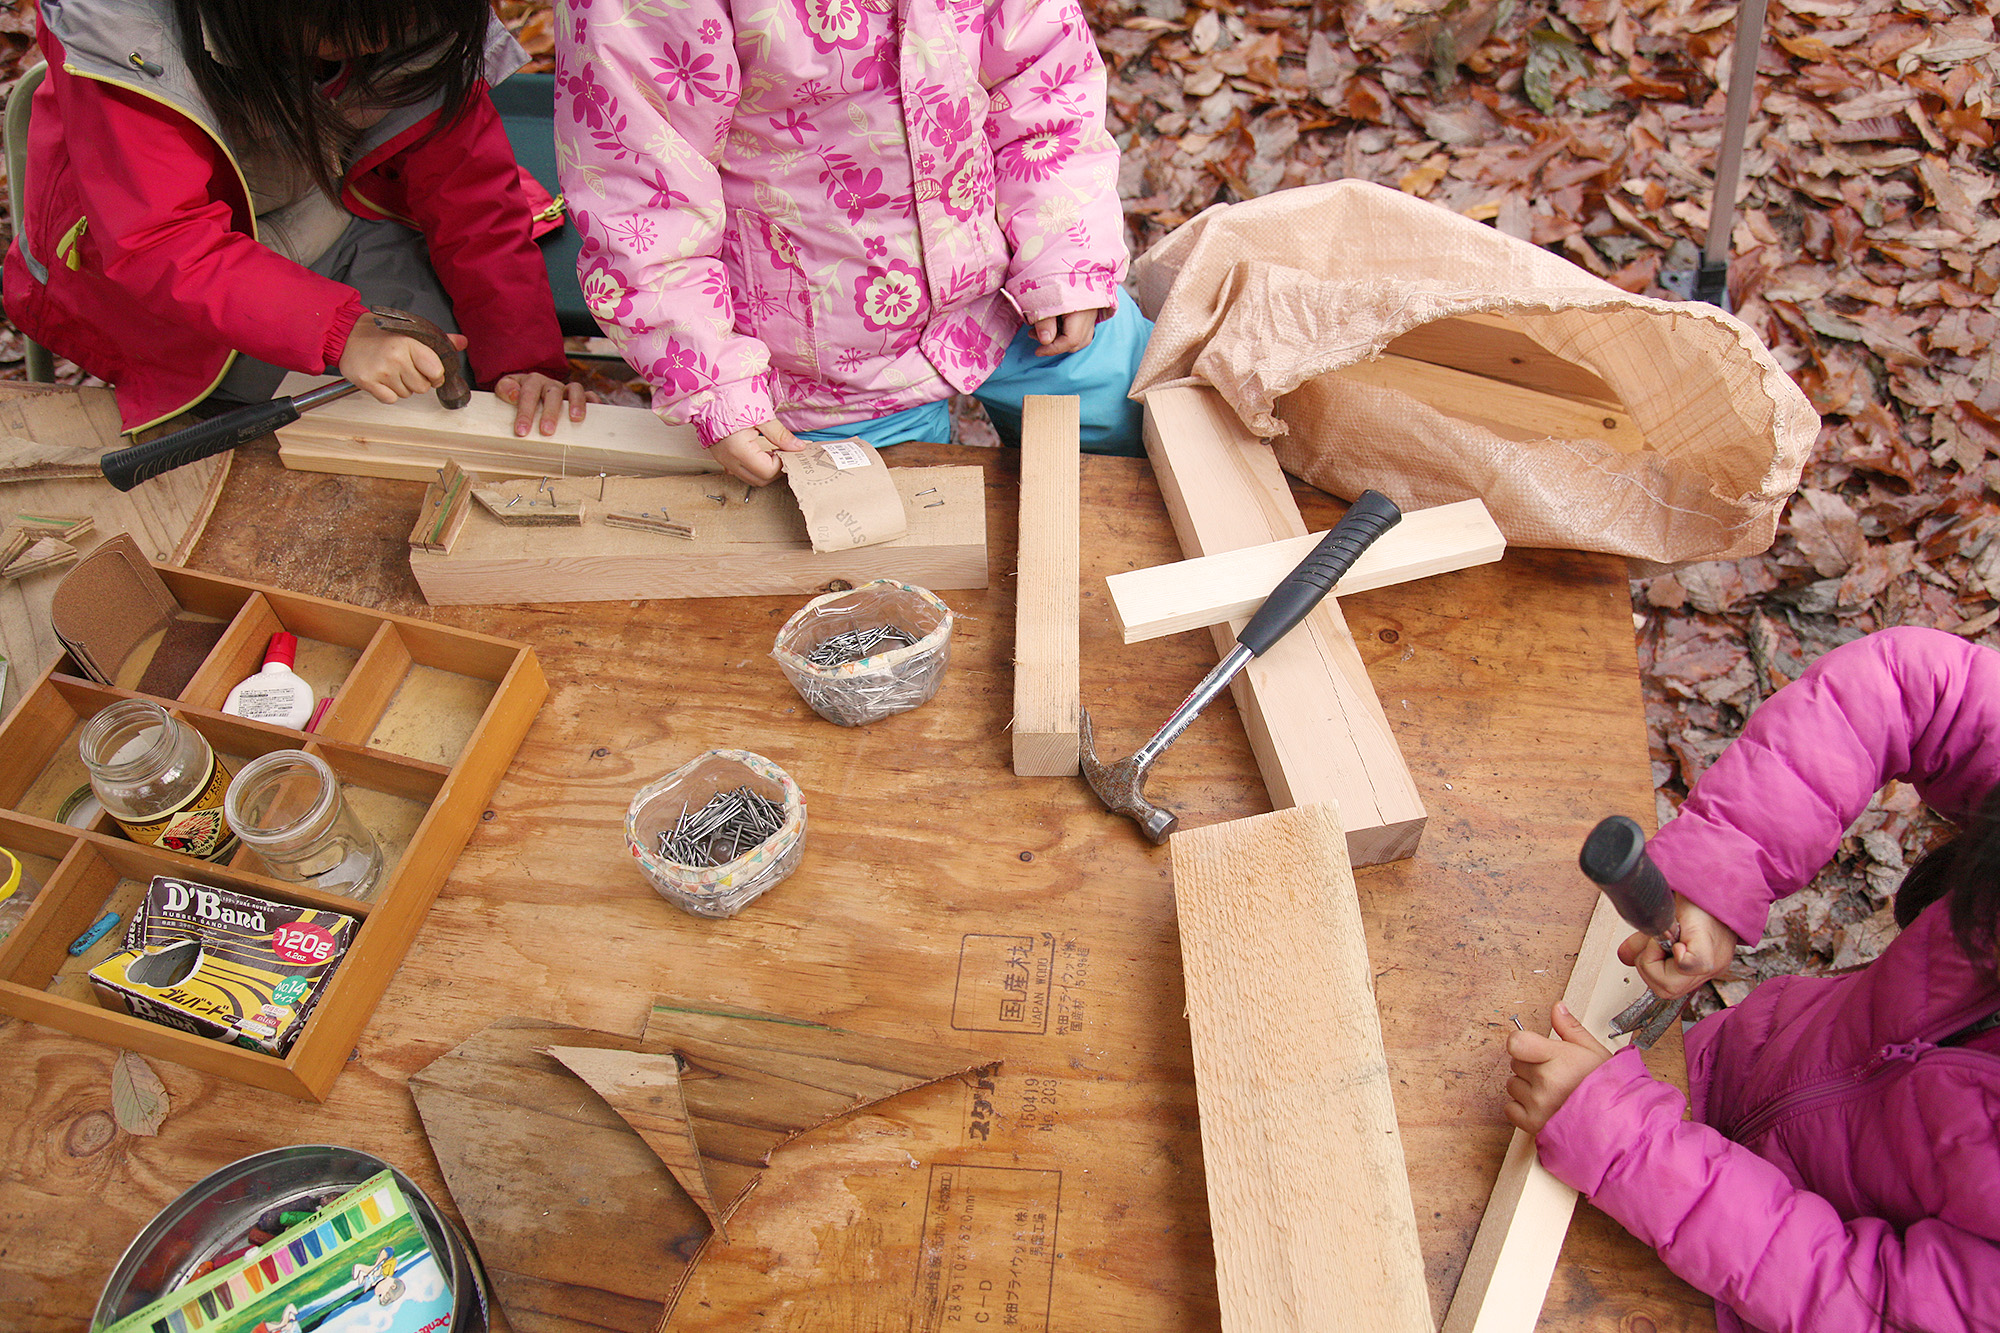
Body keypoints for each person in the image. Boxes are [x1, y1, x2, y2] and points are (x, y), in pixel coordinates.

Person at [1504, 626, 2000, 1333]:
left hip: (1731, 1291)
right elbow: (1908, 687)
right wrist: (1720, 876)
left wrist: (1624, 1142)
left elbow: (1871, 1305)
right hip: (1748, 1058)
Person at [552, 0, 1149, 486]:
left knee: (1144, 410)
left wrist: (1065, 251)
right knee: (899, 560)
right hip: (822, 362)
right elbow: (644, 198)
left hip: (1000, 288)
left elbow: (1045, 78)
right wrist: (713, 381)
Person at [2, 0, 588, 440]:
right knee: (297, 424)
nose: (376, 46)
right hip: (149, 267)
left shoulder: (419, 13)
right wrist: (340, 332)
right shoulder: (124, 29)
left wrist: (523, 361)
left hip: (330, 203)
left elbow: (473, 199)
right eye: (345, 35)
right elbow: (159, 239)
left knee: (429, 377)